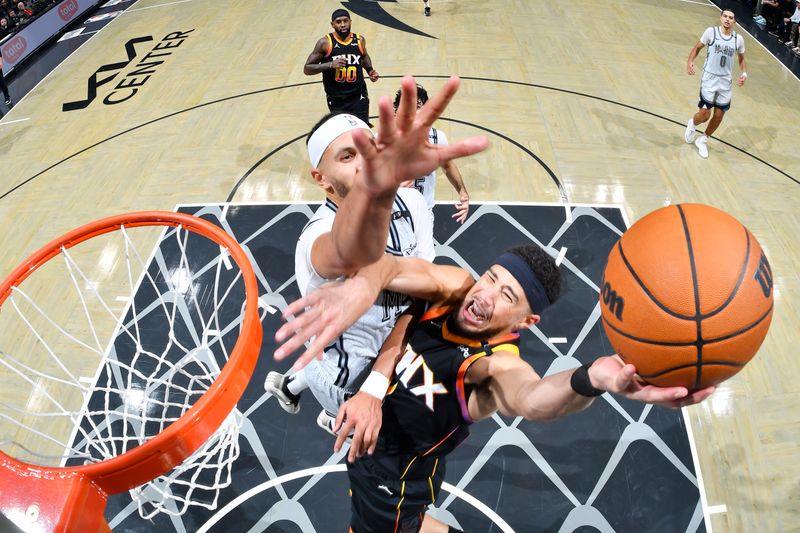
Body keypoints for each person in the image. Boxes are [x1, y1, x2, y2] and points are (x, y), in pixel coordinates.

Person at [273, 77, 715, 533]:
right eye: (490, 278)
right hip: (360, 403)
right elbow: (373, 263)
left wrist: (592, 378)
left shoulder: (492, 365)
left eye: (507, 296)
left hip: (396, 471)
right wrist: (372, 279)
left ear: (527, 320)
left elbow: (533, 398)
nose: (484, 295)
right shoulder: (456, 287)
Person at [265, 80, 488, 432]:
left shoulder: (413, 203)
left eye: (367, 149)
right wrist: (374, 191)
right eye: (347, 156)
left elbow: (426, 292)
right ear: (321, 179)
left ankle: (289, 388)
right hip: (346, 382)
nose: (365, 163)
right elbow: (347, 251)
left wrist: (381, 373)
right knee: (431, 426)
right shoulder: (316, 238)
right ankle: (333, 415)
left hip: (389, 351)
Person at [394, 84, 470, 224]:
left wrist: (463, 193)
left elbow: (447, 166)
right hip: (393, 213)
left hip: (423, 213)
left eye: (417, 106)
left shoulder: (437, 137)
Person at [684, 10, 747, 159]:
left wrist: (744, 74)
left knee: (719, 116)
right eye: (725, 16)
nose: (727, 19)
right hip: (709, 79)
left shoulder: (738, 39)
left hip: (725, 82)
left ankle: (703, 140)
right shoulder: (711, 32)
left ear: (734, 22)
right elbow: (698, 47)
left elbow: (742, 59)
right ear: (720, 18)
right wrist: (690, 62)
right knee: (705, 115)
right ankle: (692, 123)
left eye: (731, 18)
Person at [303, 9, 379, 125]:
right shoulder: (325, 43)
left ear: (350, 22)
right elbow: (307, 69)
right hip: (336, 98)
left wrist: (370, 70)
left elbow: (364, 57)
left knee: (362, 128)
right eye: (338, 22)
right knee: (344, 130)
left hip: (358, 95)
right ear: (332, 24)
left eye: (345, 21)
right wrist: (330, 64)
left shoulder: (359, 40)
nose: (343, 25)